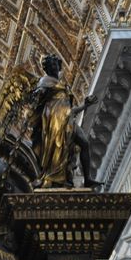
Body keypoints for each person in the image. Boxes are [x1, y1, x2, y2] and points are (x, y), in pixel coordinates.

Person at [29, 54, 99, 188]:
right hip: (55, 119)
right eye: (51, 65)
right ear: (47, 68)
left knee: (84, 143)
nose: (54, 67)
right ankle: (54, 176)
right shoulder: (45, 80)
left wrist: (85, 105)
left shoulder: (62, 85)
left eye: (55, 64)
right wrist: (39, 93)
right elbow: (39, 94)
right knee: (58, 147)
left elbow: (70, 110)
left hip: (67, 118)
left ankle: (88, 178)